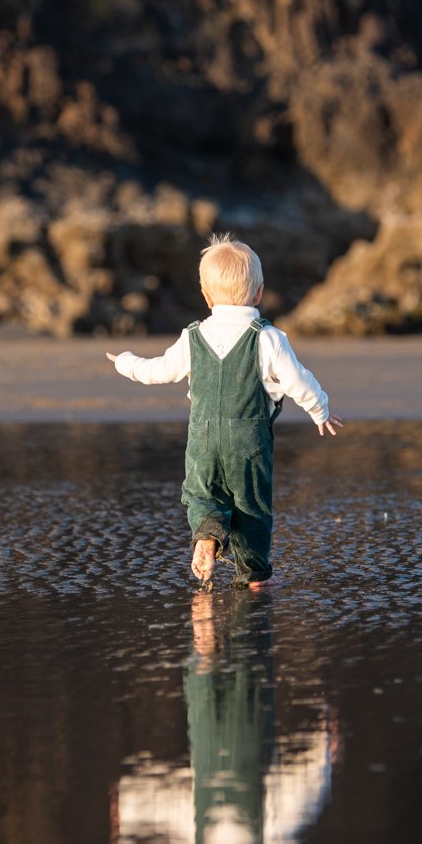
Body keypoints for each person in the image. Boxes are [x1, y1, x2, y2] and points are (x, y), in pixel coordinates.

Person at [107, 233, 344, 588]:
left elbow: (157, 371)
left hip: (201, 440)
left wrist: (125, 362)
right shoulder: (267, 337)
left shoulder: (193, 336)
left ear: (206, 295)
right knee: (251, 508)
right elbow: (298, 380)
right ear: (260, 293)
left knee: (201, 493)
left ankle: (207, 537)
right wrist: (320, 410)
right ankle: (255, 578)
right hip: (248, 442)